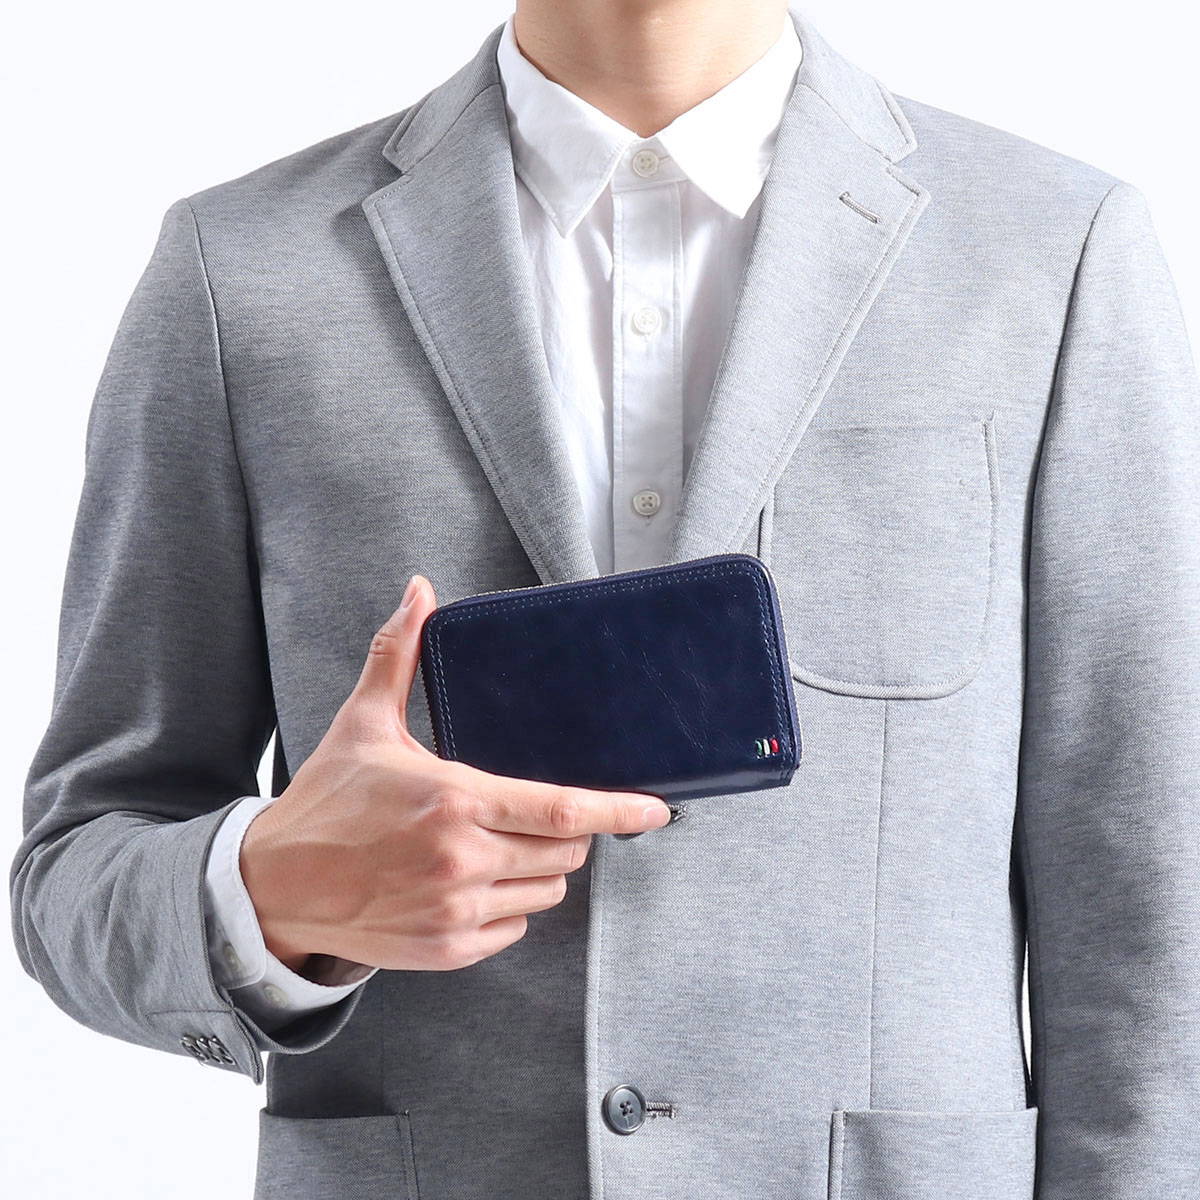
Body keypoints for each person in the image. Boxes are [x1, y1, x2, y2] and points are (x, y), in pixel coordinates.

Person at [11, 1, 1200, 1197]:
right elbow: (77, 864)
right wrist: (268, 891)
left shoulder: (1054, 254)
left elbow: (1148, 901)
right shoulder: (242, 271)